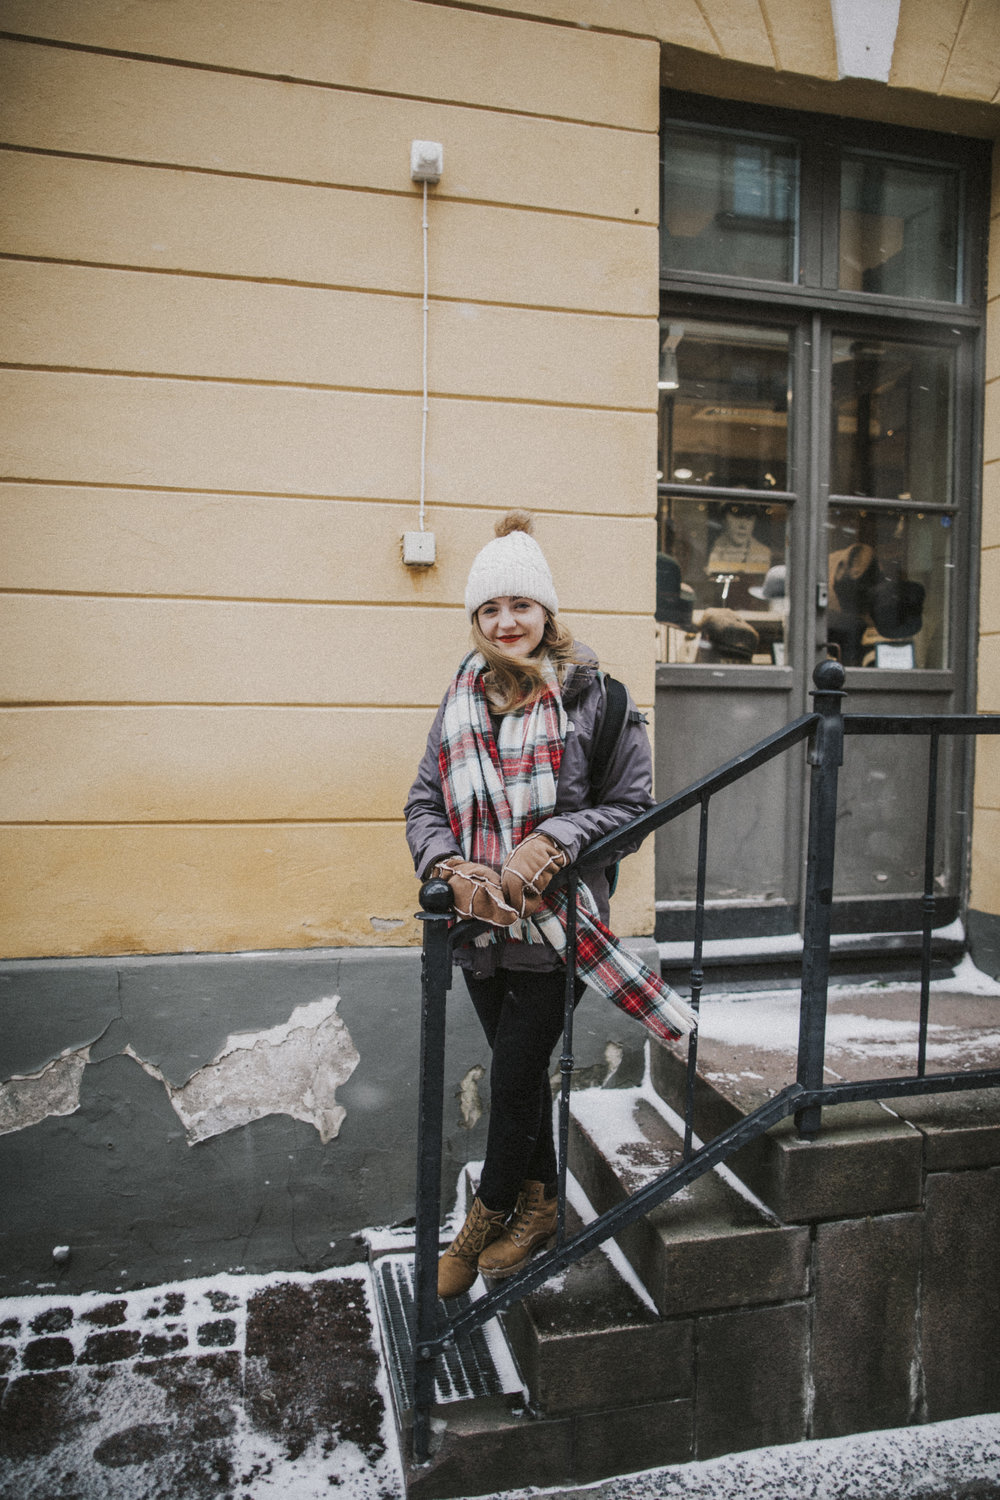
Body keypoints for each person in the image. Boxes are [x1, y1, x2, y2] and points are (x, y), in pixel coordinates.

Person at [405, 511, 696, 1299]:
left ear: (546, 613)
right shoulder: (462, 697)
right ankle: (539, 1210)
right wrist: (444, 864)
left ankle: (481, 1223)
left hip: (560, 927)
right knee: (518, 1074)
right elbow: (424, 801)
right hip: (477, 925)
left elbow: (632, 806)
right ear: (477, 621)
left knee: (515, 1074)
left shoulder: (597, 699)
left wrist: (557, 839)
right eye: (490, 610)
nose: (507, 623)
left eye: (521, 607)